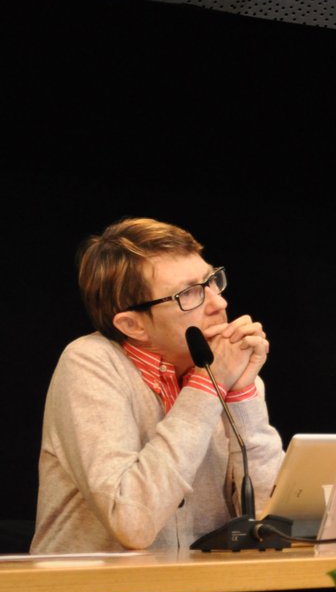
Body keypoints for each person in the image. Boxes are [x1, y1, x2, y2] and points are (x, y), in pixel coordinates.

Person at [32, 218, 284, 553]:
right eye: (190, 293)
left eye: (212, 281)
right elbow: (132, 524)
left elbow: (276, 522)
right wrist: (209, 389)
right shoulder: (90, 363)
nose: (218, 303)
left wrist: (241, 395)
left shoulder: (227, 371)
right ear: (132, 325)